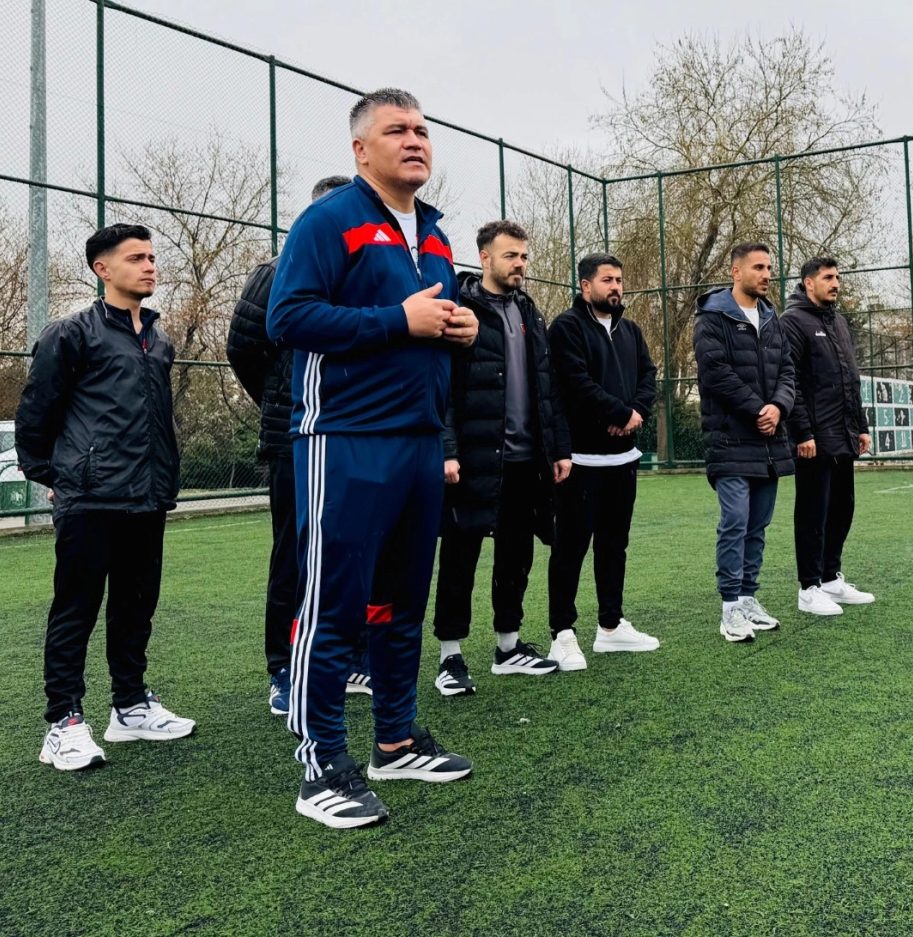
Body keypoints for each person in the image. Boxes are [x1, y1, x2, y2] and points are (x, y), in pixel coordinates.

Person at [268, 88, 478, 829]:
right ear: (361, 150)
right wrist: (399, 320)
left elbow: (423, 327)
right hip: (345, 438)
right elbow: (287, 317)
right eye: (397, 130)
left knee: (401, 602)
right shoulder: (329, 220)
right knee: (334, 605)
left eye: (423, 129)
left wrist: (458, 328)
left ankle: (396, 739)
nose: (415, 140)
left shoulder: (437, 236)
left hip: (419, 441)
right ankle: (321, 765)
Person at [17, 223, 193, 772]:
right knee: (76, 609)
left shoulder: (159, 340)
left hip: (148, 496)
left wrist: (163, 481)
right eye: (136, 258)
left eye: (152, 257)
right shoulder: (71, 333)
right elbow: (35, 411)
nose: (150, 266)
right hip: (90, 498)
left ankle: (131, 707)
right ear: (103, 269)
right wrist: (53, 474)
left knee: (136, 606)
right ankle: (63, 723)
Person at [227, 175, 375, 719]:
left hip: (359, 435)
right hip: (297, 440)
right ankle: (284, 668)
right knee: (294, 554)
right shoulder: (277, 270)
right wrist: (286, 405)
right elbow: (243, 349)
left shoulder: (369, 268)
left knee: (355, 551)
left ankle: (351, 659)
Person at [433, 221, 572, 690]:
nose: (520, 264)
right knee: (460, 558)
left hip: (526, 462)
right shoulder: (459, 308)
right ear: (484, 258)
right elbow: (442, 387)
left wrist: (559, 448)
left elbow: (547, 387)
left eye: (524, 256)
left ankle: (508, 648)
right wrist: (448, 450)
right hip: (473, 460)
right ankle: (450, 659)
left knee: (516, 556)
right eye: (511, 255)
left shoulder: (530, 311)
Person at [544, 253, 661, 668]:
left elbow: (648, 376)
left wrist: (635, 414)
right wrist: (618, 413)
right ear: (585, 285)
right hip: (580, 461)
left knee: (614, 546)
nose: (616, 287)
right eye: (607, 280)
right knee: (570, 548)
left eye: (619, 280)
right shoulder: (566, 328)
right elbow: (575, 383)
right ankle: (562, 633)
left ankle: (611, 627)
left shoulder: (630, 329)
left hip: (623, 459)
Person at [693, 242, 796, 642]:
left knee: (758, 524)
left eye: (769, 267)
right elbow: (715, 373)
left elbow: (787, 371)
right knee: (735, 521)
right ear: (736, 272)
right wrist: (759, 409)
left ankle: (749, 598)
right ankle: (729, 608)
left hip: (769, 440)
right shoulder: (712, 317)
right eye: (758, 267)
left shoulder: (773, 318)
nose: (767, 274)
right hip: (730, 439)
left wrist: (779, 407)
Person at [782, 257, 875, 615]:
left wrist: (861, 425)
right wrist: (802, 432)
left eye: (837, 277)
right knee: (812, 513)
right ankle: (808, 588)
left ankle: (830, 578)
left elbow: (851, 378)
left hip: (843, 434)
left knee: (842, 508)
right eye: (827, 278)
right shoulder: (792, 321)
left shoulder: (838, 321)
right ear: (808, 283)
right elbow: (790, 381)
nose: (835, 283)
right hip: (813, 439)